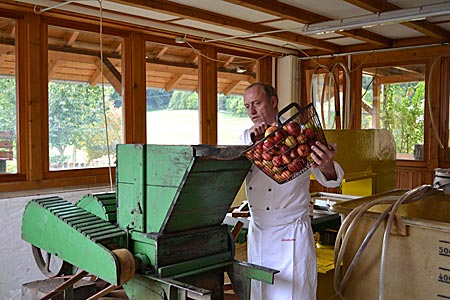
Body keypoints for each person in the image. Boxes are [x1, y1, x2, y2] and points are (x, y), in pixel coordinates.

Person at [240, 82, 344, 300]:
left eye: (257, 103)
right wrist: (251, 141)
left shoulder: (300, 137)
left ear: (274, 102)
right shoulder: (244, 139)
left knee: (294, 293)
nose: (251, 111)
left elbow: (332, 180)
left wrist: (325, 164)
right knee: (261, 293)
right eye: (247, 106)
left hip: (290, 232)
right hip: (259, 231)